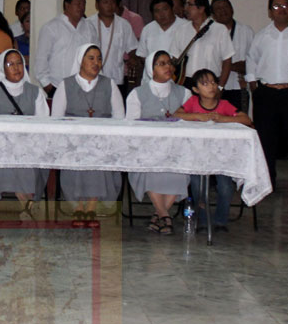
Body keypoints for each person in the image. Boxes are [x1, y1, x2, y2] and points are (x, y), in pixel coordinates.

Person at [51, 43, 125, 228]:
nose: (96, 63)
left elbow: (120, 119)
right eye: (91, 58)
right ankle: (78, 207)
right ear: (80, 61)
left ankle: (91, 206)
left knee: (96, 154)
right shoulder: (65, 85)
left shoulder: (109, 84)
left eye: (99, 59)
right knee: (78, 154)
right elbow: (55, 120)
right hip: (73, 142)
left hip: (103, 141)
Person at [175, 69, 254, 231]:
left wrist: (223, 118)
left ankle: (220, 220)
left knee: (225, 187)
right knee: (197, 186)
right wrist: (198, 116)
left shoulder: (223, 105)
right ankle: (202, 219)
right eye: (205, 84)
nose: (211, 86)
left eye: (213, 82)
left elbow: (246, 119)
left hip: (221, 155)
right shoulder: (193, 102)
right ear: (196, 89)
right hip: (197, 154)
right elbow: (177, 115)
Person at [244, 0, 288, 193]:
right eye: (276, 6)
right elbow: (251, 59)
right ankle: (267, 181)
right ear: (270, 11)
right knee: (266, 140)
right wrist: (253, 84)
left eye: (285, 5)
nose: (281, 9)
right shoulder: (262, 35)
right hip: (266, 93)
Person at [0, 48, 49, 221]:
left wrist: (27, 141)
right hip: (2, 146)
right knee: (10, 157)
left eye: (19, 63)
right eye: (11, 64)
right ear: (2, 68)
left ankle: (27, 205)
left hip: (31, 145)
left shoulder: (35, 92)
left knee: (26, 157)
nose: (16, 67)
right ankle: (28, 205)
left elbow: (44, 123)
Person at [126, 50, 191, 234]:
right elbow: (131, 126)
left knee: (181, 169)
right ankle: (165, 215)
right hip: (147, 149)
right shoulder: (137, 94)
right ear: (151, 69)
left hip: (175, 149)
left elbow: (189, 124)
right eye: (161, 63)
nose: (168, 67)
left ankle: (159, 215)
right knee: (148, 168)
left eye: (169, 63)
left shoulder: (184, 93)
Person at [32, 0, 94, 94]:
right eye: (78, 3)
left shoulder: (89, 28)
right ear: (67, 5)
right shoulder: (51, 27)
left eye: (84, 4)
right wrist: (48, 87)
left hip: (84, 87)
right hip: (58, 87)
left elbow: (95, 55)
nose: (81, 7)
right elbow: (41, 60)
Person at [170, 0, 234, 88]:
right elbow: (175, 58)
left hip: (210, 83)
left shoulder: (220, 30)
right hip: (185, 82)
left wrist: (220, 87)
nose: (185, 9)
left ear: (201, 8)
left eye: (189, 5)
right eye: (186, 4)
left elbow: (227, 60)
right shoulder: (181, 30)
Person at [82, 0, 137, 87]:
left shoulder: (124, 24)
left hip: (117, 78)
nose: (110, 5)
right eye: (105, 2)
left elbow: (132, 48)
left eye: (113, 2)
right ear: (97, 5)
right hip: (92, 77)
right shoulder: (88, 24)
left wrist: (133, 58)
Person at [210, 0, 253, 110]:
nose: (223, 10)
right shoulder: (209, 33)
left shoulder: (246, 31)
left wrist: (229, 66)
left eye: (225, 7)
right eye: (218, 9)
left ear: (232, 9)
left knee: (240, 120)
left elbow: (253, 62)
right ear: (213, 15)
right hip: (214, 89)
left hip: (239, 87)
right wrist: (230, 66)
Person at [134, 0, 189, 81]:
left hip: (177, 79)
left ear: (172, 9)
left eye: (165, 9)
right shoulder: (148, 29)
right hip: (151, 80)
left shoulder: (185, 27)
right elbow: (142, 55)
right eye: (157, 11)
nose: (161, 14)